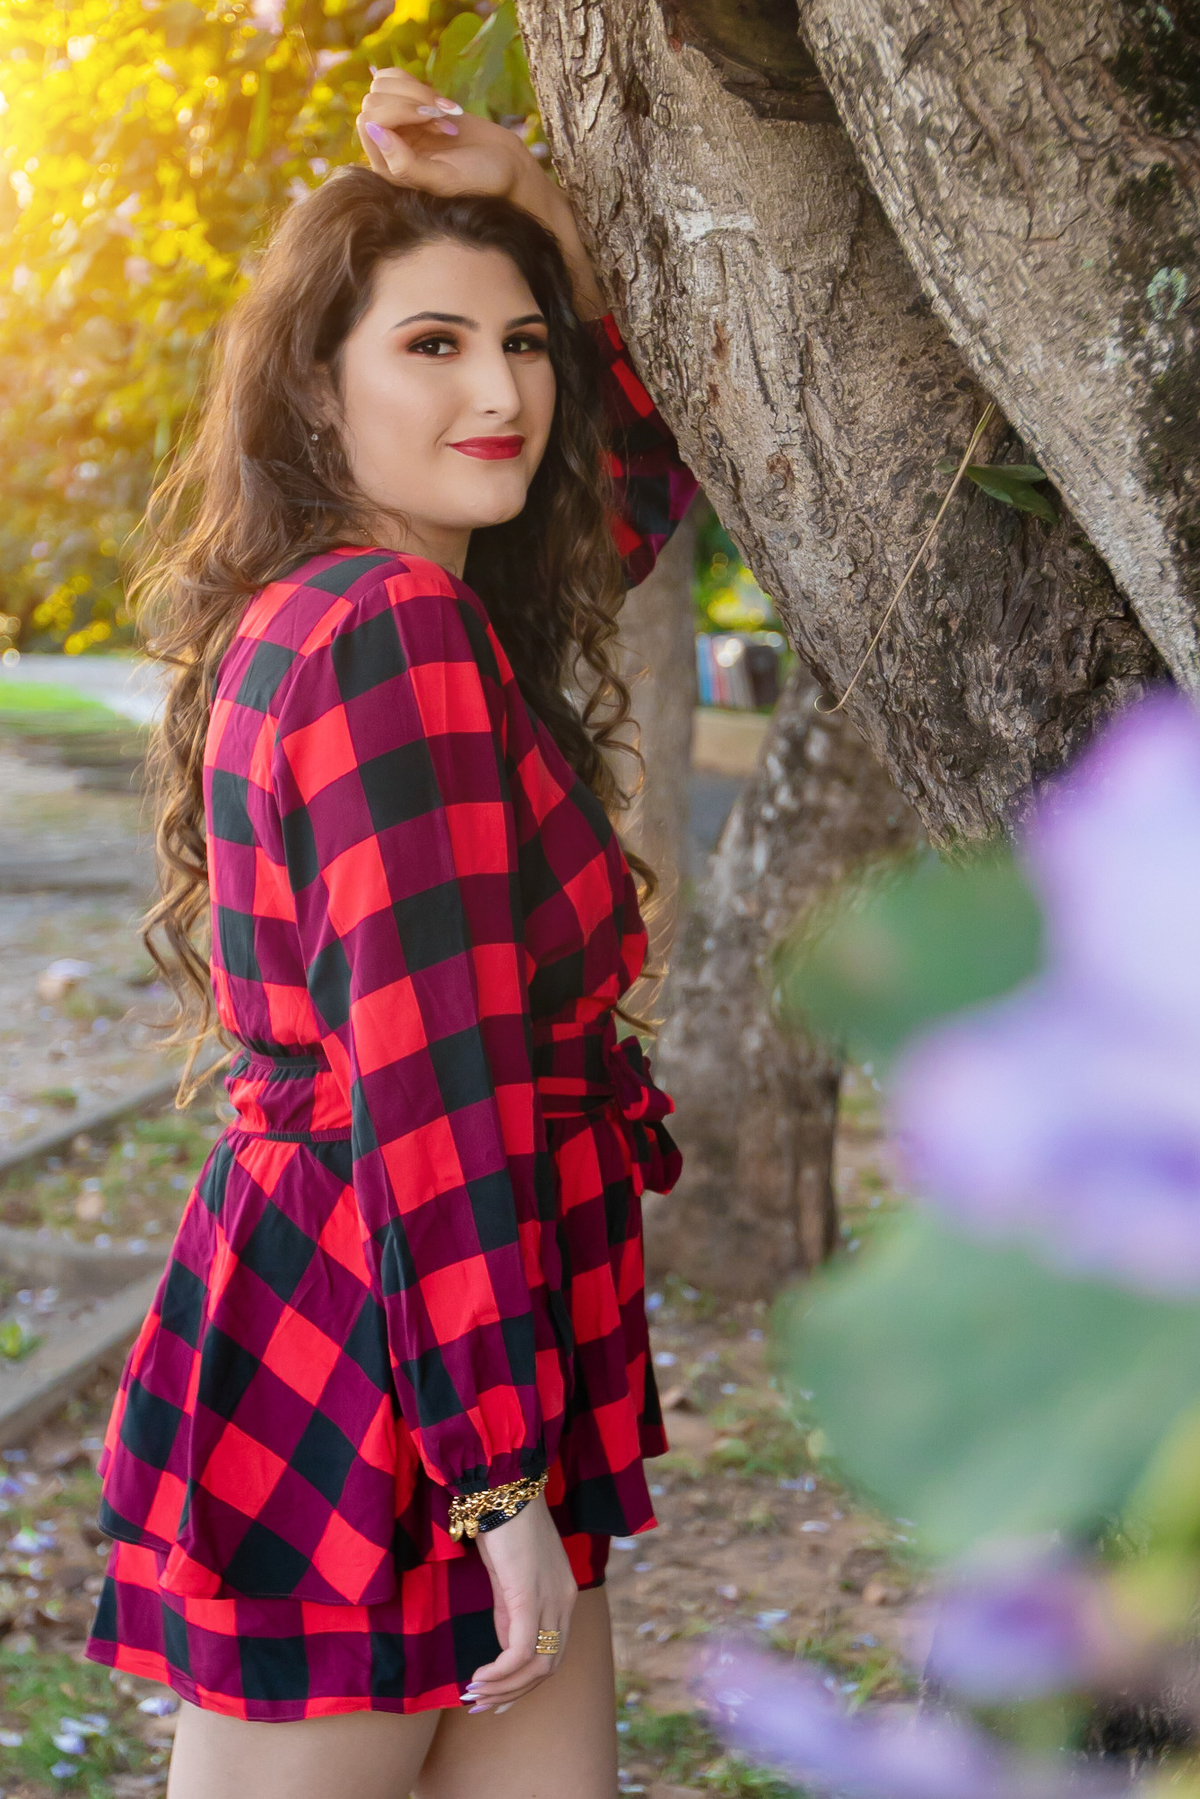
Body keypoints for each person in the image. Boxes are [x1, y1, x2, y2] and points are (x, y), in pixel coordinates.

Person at [84, 66, 698, 1799]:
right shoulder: (389, 639)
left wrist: (538, 204)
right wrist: (494, 1477)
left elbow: (639, 484)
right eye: (431, 345)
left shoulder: (378, 604)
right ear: (318, 383)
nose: (501, 387)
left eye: (523, 343)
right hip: (394, 1346)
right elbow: (429, 1084)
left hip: (435, 1313)